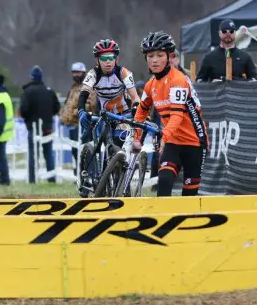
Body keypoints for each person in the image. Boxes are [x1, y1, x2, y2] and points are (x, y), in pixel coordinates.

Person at [135, 31, 209, 197]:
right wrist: (136, 138)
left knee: (189, 195)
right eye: (150, 56)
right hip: (173, 142)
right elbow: (141, 111)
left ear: (169, 57)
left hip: (195, 142)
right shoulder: (150, 85)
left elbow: (177, 116)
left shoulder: (178, 80)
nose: (154, 60)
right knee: (165, 181)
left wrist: (164, 136)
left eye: (159, 55)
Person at [77, 39, 139, 148]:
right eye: (103, 59)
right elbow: (84, 93)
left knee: (118, 143)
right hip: (105, 115)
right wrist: (81, 110)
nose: (108, 62)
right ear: (98, 61)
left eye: (111, 58)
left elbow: (135, 97)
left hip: (123, 114)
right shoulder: (93, 74)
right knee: (106, 148)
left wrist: (136, 108)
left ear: (116, 59)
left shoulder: (124, 73)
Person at [20, 65, 60, 183]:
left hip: (33, 126)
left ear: (31, 77)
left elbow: (23, 109)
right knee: (48, 153)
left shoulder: (28, 91)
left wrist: (28, 119)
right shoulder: (50, 91)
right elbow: (57, 107)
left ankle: (32, 179)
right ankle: (51, 178)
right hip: (47, 127)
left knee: (33, 154)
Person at [61, 62, 96, 171]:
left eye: (78, 72)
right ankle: (79, 176)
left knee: (85, 153)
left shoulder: (87, 87)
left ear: (83, 73)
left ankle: (89, 175)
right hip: (72, 125)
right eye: (74, 72)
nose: (76, 75)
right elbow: (68, 104)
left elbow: (89, 105)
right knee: (75, 152)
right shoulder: (73, 88)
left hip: (82, 125)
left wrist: (74, 113)